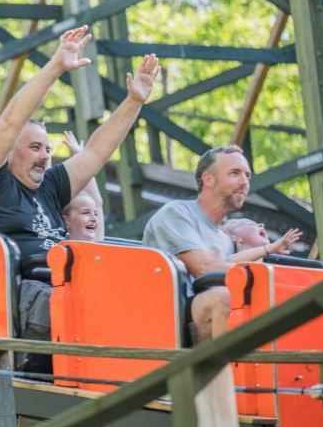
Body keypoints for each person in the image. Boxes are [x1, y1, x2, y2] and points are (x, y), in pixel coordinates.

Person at [0, 26, 159, 358]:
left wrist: (134, 101)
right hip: (20, 295)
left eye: (48, 148)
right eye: (35, 147)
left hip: (66, 282)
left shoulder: (49, 186)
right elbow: (10, 123)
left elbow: (94, 154)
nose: (45, 155)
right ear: (9, 152)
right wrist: (56, 67)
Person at [143, 145, 301, 344]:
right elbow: (203, 267)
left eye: (247, 176)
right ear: (208, 179)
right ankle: (220, 372)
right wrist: (264, 277)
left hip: (212, 315)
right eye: (235, 174)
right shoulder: (177, 213)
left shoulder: (226, 239)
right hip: (168, 317)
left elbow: (235, 266)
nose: (244, 182)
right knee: (223, 296)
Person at [60, 130, 104, 242]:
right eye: (85, 213)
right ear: (66, 221)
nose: (94, 219)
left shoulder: (96, 241)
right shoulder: (58, 244)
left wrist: (80, 157)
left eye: (95, 214)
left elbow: (97, 202)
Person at [225, 218, 301, 255]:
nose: (262, 224)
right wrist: (271, 248)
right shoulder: (227, 262)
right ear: (234, 237)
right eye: (250, 224)